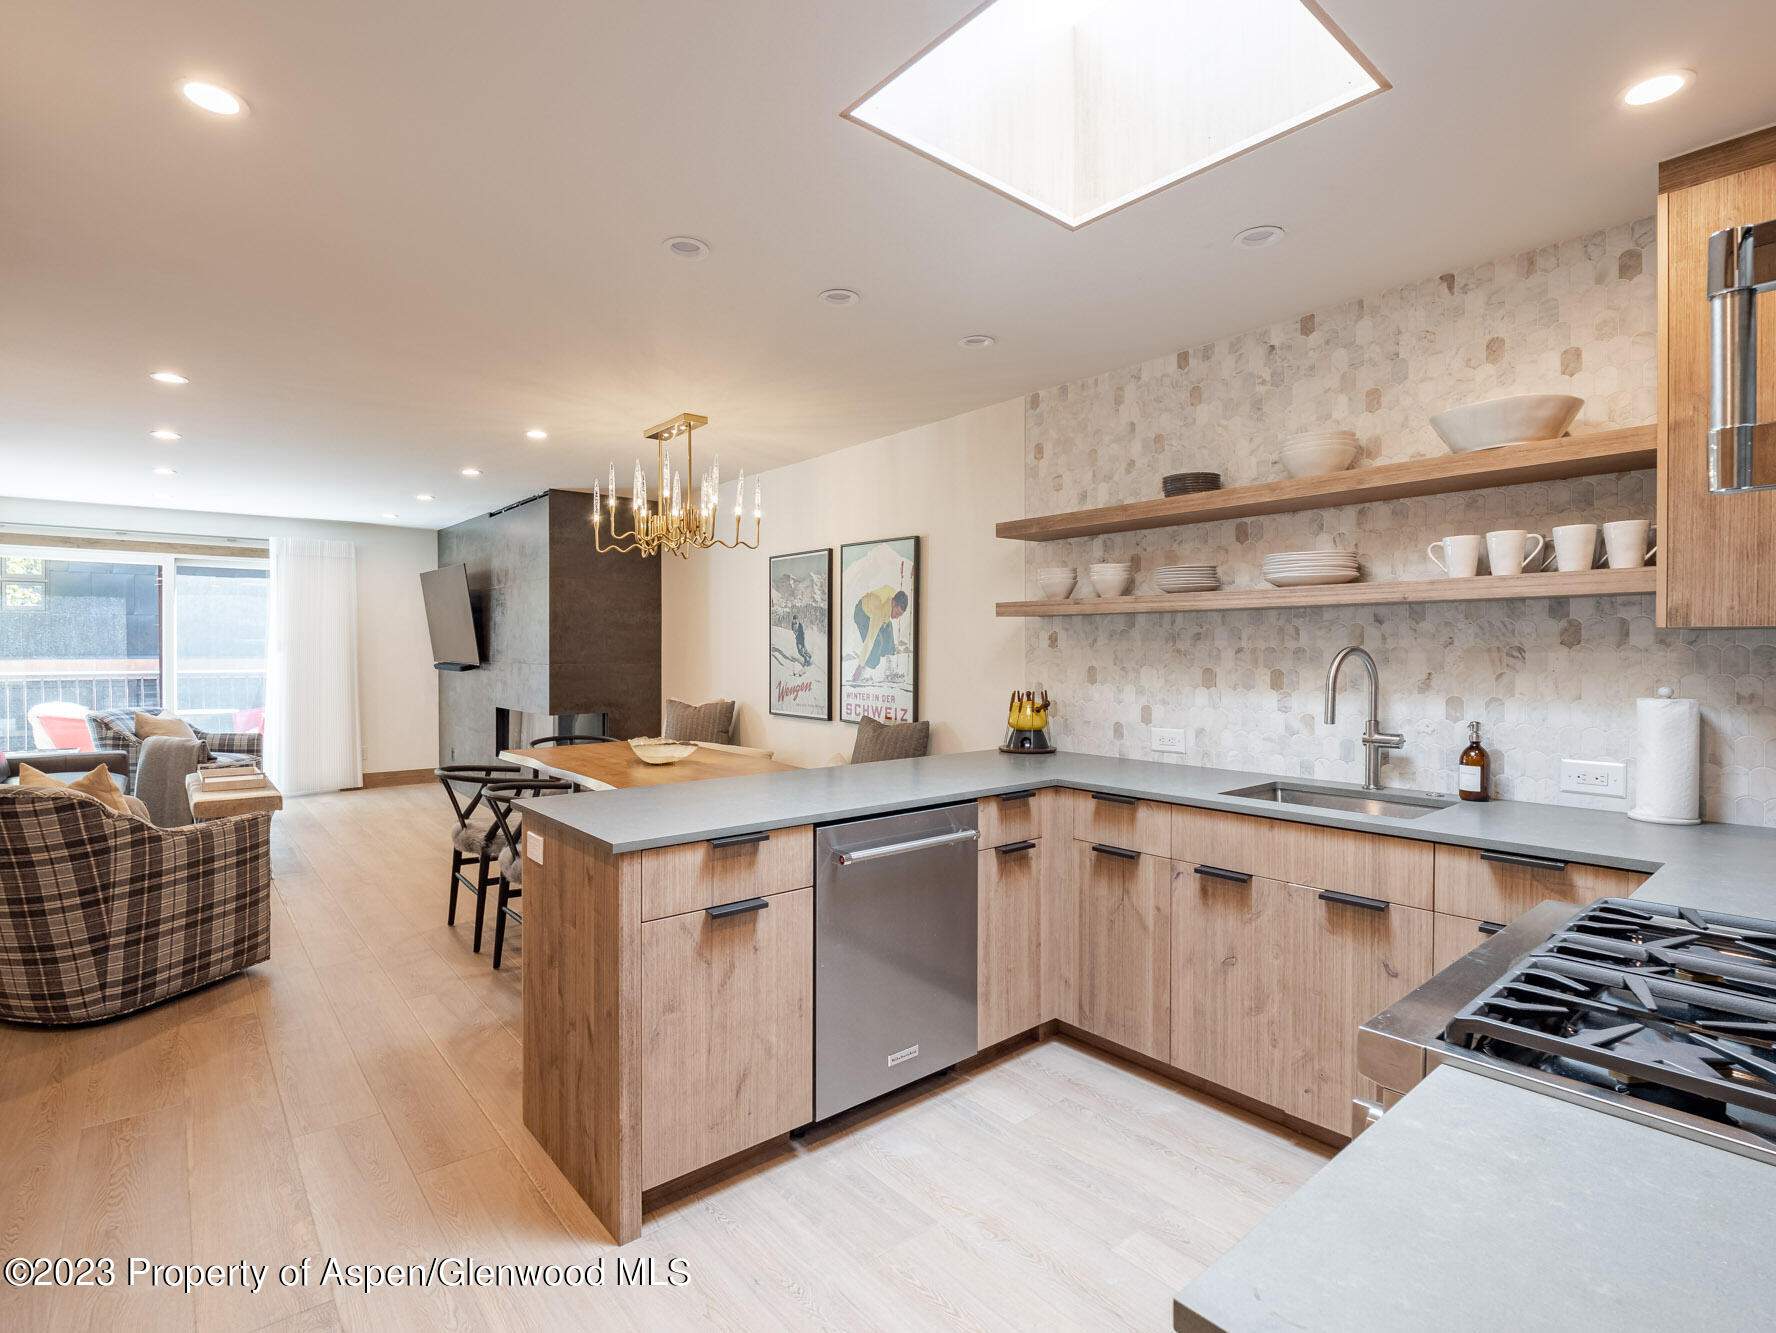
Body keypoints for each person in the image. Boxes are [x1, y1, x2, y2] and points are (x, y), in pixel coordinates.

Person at [851, 587, 908, 682]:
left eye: (900, 615)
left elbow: (885, 588)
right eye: (897, 613)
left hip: (875, 609)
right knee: (877, 642)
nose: (897, 617)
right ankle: (865, 673)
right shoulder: (879, 611)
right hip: (862, 613)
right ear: (893, 603)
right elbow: (870, 639)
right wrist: (860, 666)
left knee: (889, 630)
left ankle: (889, 670)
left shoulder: (893, 597)